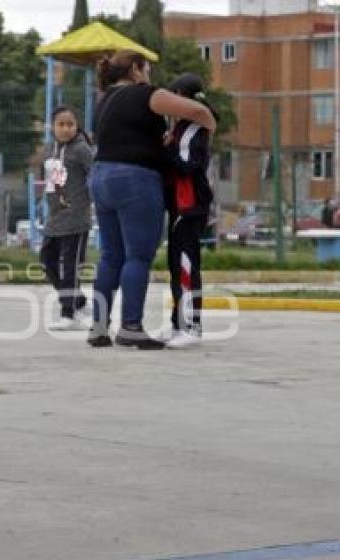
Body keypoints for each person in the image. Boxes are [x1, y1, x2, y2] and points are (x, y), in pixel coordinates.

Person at [88, 50, 216, 350]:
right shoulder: (147, 94)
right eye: (147, 70)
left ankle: (98, 326)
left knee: (110, 256)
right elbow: (197, 111)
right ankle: (131, 326)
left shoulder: (103, 99)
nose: (150, 76)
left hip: (101, 177)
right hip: (135, 180)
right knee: (137, 256)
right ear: (135, 69)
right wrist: (211, 123)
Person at [164, 73, 218, 349]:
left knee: (186, 263)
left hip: (189, 204)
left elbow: (187, 165)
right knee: (175, 263)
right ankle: (178, 321)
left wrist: (165, 150)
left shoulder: (195, 127)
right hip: (179, 204)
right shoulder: (182, 127)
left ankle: (191, 324)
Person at [38, 106, 93, 331]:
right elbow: (54, 182)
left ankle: (68, 314)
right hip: (55, 218)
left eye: (70, 124)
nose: (66, 128)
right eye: (61, 124)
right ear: (52, 127)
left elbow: (95, 174)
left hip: (76, 219)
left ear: (76, 125)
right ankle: (76, 300)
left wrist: (88, 201)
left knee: (70, 267)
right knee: (47, 261)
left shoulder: (81, 149)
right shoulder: (50, 149)